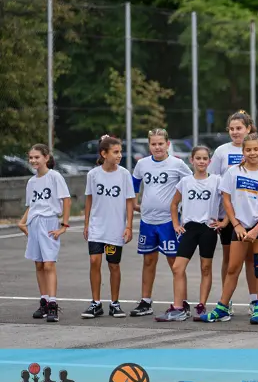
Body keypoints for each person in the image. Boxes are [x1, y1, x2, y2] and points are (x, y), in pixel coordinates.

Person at [200, 133, 258, 323]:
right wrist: (236, 225)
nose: (252, 153)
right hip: (240, 227)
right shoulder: (233, 172)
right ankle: (222, 308)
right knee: (233, 268)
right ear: (243, 151)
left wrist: (256, 230)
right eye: (248, 149)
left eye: (256, 149)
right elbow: (227, 200)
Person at [209, 110, 258, 315]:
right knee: (231, 263)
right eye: (232, 128)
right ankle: (224, 304)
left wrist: (256, 228)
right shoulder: (225, 157)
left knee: (256, 262)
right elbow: (218, 187)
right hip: (233, 220)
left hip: (256, 222)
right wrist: (230, 221)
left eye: (239, 128)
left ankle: (257, 303)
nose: (235, 132)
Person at [155, 146, 226, 321]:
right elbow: (174, 204)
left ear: (209, 161)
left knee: (205, 268)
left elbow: (229, 203)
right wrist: (176, 224)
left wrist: (224, 222)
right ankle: (178, 307)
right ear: (191, 160)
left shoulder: (217, 181)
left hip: (208, 229)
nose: (201, 161)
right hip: (190, 228)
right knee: (177, 267)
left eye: (205, 158)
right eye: (198, 158)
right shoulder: (185, 182)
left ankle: (201, 305)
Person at [129, 128, 192, 317]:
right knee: (148, 260)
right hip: (147, 221)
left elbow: (191, 185)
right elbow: (134, 185)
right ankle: (146, 301)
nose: (157, 147)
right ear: (149, 145)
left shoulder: (177, 164)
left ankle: (182, 303)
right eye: (154, 144)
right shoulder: (142, 164)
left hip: (169, 222)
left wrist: (184, 209)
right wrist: (135, 204)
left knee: (175, 263)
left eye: (160, 144)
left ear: (168, 144)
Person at [81, 136, 135, 318]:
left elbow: (129, 201)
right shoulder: (93, 174)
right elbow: (89, 199)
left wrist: (128, 226)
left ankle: (115, 303)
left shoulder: (124, 174)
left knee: (113, 265)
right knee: (94, 261)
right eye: (116, 152)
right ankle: (95, 303)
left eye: (120, 152)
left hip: (115, 229)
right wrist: (86, 223)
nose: (119, 155)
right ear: (104, 154)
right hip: (97, 227)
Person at [18, 144, 71, 322]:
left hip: (49, 222)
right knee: (39, 264)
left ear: (46, 158)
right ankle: (44, 301)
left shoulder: (55, 177)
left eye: (37, 157)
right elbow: (32, 205)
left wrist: (64, 225)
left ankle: (53, 304)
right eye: (31, 157)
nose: (33, 160)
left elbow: (66, 200)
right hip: (34, 222)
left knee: (49, 264)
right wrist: (23, 222)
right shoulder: (31, 182)